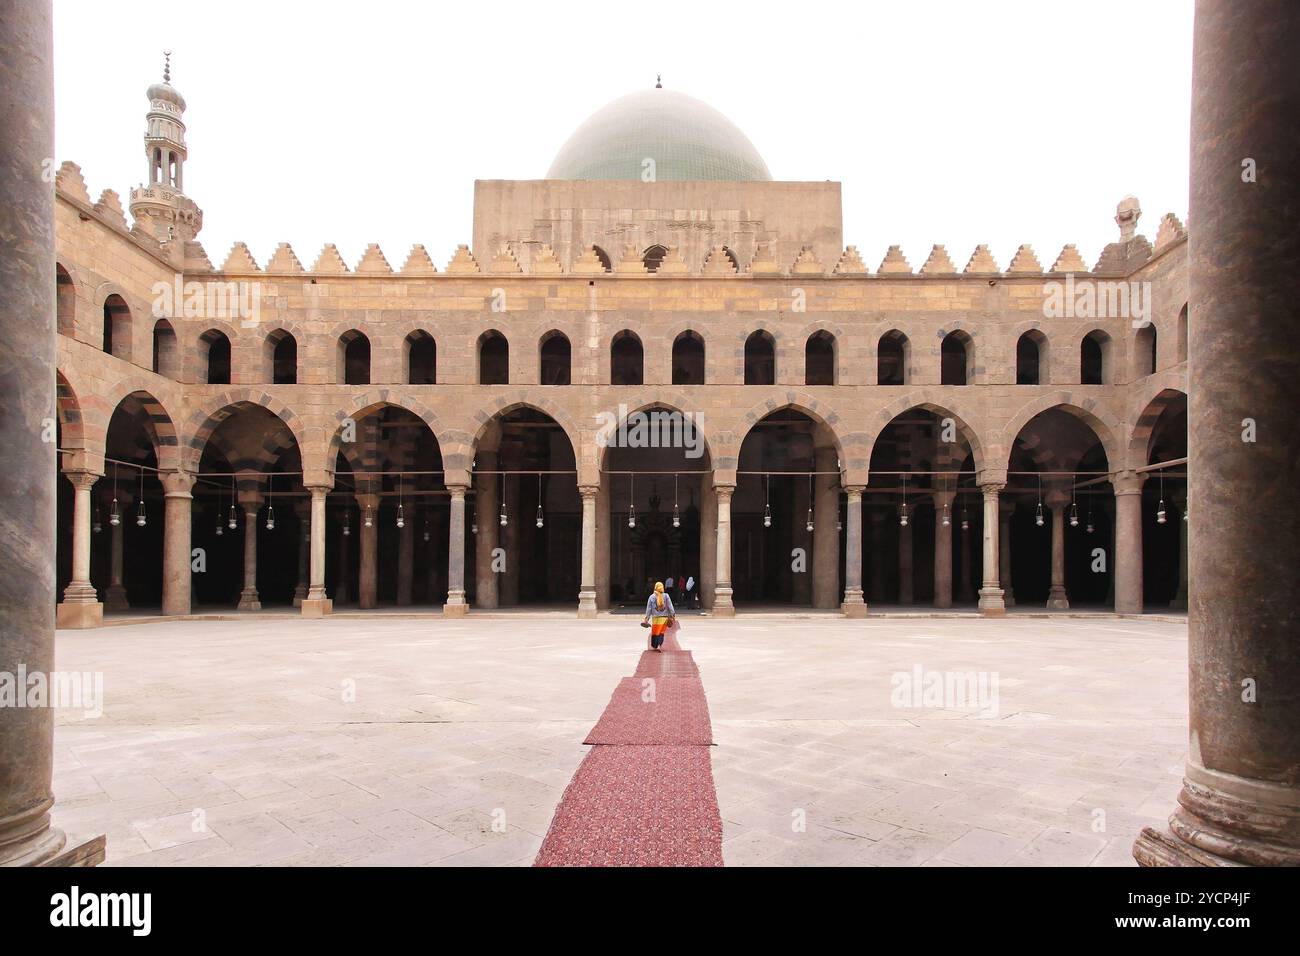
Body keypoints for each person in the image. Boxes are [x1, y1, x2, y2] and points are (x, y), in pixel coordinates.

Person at [642, 581, 675, 652]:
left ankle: (655, 646)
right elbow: (670, 606)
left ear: (655, 588)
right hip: (664, 618)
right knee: (661, 632)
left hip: (655, 618)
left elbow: (649, 609)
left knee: (655, 632)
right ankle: (660, 645)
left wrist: (646, 618)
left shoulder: (651, 597)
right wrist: (672, 615)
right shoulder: (666, 596)